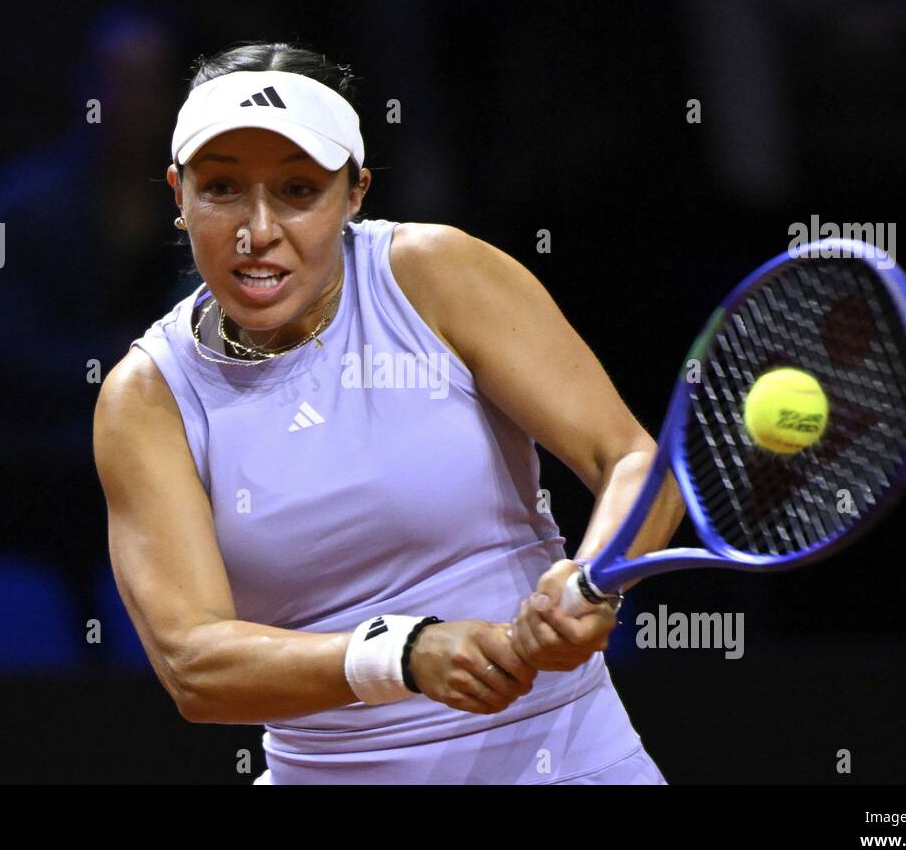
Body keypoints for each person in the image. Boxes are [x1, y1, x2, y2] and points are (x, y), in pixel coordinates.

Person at [93, 41, 685, 784]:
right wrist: (400, 654)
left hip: (564, 760)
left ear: (356, 192)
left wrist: (590, 584)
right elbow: (194, 664)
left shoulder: (436, 276)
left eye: (299, 189)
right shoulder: (146, 398)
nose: (258, 229)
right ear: (178, 195)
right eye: (222, 189)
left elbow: (631, 460)